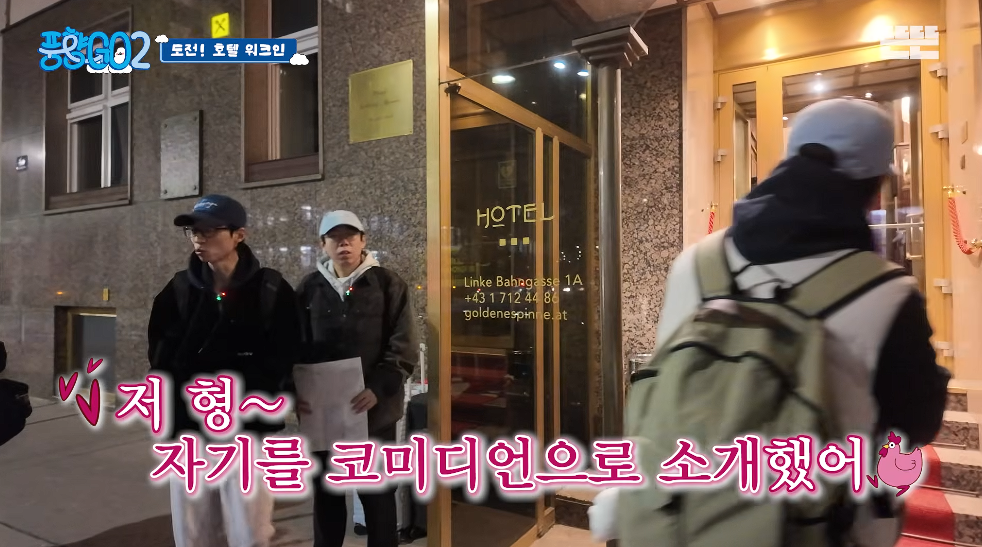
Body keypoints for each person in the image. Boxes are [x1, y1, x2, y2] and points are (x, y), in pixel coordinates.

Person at [597, 98, 950, 546]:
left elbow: (660, 390)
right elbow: (915, 425)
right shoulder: (890, 292)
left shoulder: (696, 264)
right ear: (873, 187)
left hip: (678, 518)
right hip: (820, 528)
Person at [148, 194, 301, 547]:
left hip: (249, 431)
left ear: (239, 235)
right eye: (193, 231)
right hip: (190, 431)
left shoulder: (271, 289)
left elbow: (287, 354)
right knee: (195, 534)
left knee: (251, 533)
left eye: (209, 230)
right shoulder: (178, 290)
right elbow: (161, 362)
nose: (198, 238)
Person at [296, 210, 417, 547]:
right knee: (327, 495)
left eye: (350, 236)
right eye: (334, 237)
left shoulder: (388, 283)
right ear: (322, 244)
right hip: (324, 412)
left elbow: (404, 345)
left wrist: (379, 387)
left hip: (373, 411)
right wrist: (294, 389)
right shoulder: (309, 288)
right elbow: (293, 343)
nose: (343, 244)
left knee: (377, 496)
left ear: (364, 240)